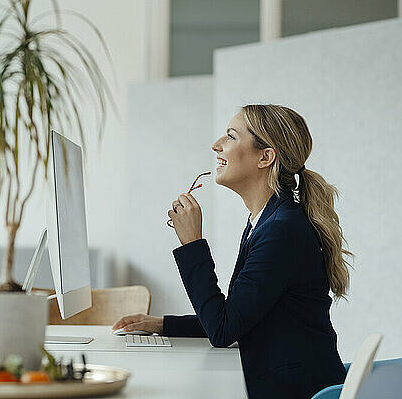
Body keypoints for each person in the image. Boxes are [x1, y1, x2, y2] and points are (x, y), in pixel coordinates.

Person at [113, 104, 351, 398]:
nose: (216, 145)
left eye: (230, 136)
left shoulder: (281, 230)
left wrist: (193, 244)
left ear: (265, 157)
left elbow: (224, 330)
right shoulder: (267, 220)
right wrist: (163, 324)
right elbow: (237, 316)